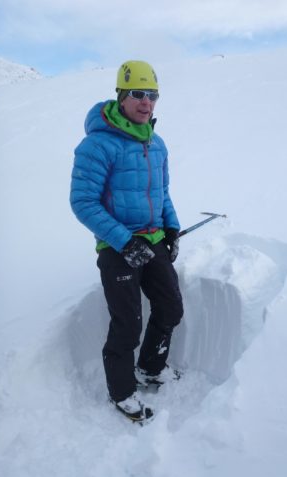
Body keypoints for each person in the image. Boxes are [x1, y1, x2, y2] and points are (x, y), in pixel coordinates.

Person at [70, 60, 183, 422]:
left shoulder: (157, 142)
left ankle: (150, 368)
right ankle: (121, 392)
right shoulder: (98, 145)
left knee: (170, 309)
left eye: (153, 95)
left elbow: (161, 192)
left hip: (153, 241)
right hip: (117, 247)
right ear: (121, 96)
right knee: (128, 322)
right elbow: (83, 202)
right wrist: (122, 241)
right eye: (138, 94)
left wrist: (172, 226)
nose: (146, 102)